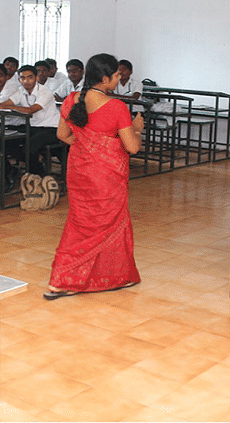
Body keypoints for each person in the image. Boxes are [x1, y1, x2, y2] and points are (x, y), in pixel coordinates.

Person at [45, 53, 144, 299]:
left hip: (79, 170)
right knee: (107, 224)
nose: (118, 78)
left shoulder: (71, 100)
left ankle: (115, 275)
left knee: (81, 222)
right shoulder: (117, 107)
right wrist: (137, 129)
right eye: (116, 74)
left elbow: (63, 135)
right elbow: (132, 147)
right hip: (106, 176)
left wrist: (89, 147)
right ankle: (64, 279)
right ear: (105, 77)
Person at [0, 65, 61, 177]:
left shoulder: (45, 92)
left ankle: (39, 175)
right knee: (4, 142)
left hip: (51, 128)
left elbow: (31, 110)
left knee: (29, 148)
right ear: (19, 80)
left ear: (36, 78)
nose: (26, 81)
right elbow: (7, 103)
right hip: (32, 127)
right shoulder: (21, 91)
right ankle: (31, 164)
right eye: (22, 78)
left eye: (30, 77)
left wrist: (1, 106)